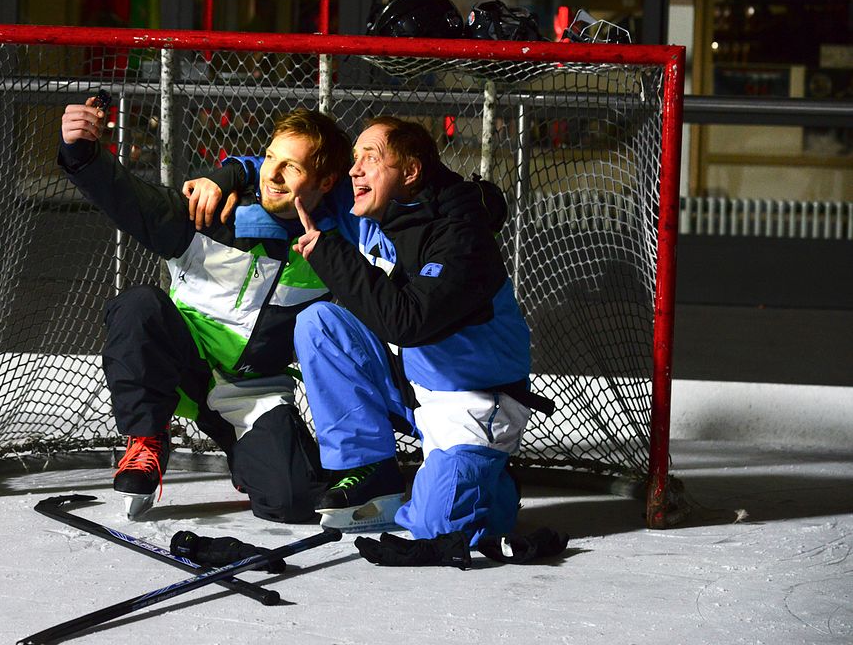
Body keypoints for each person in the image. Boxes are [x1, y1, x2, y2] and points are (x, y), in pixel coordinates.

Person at [58, 99, 356, 523]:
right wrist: (81, 152)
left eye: (290, 167)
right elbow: (126, 198)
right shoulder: (212, 211)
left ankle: (248, 457)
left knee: (293, 501)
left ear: (326, 182)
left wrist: (240, 169)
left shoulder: (337, 246)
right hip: (181, 363)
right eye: (269, 158)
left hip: (250, 390)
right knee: (139, 306)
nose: (271, 174)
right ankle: (147, 436)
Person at [288, 116, 554, 550]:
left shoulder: (461, 237)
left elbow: (408, 322)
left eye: (369, 158)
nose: (354, 170)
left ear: (410, 171)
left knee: (441, 528)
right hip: (413, 386)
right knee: (320, 325)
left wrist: (331, 254)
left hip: (472, 401)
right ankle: (372, 474)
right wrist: (232, 175)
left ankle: (491, 483)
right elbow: (295, 173)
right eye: (354, 159)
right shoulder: (375, 209)